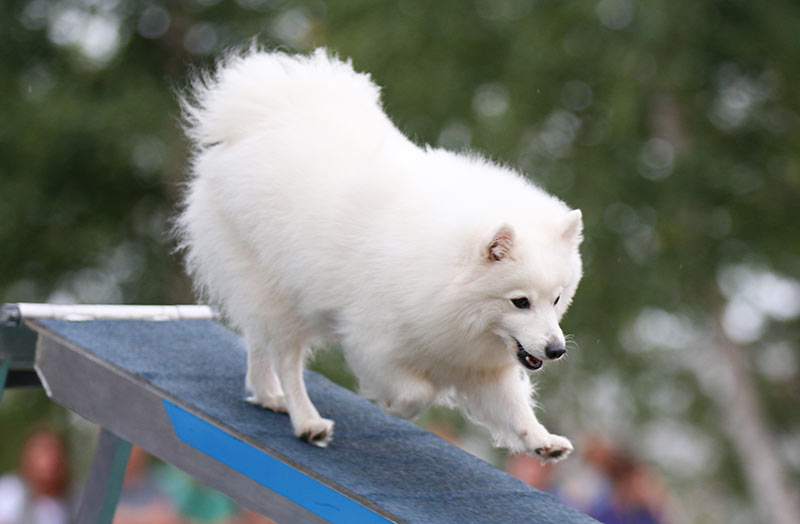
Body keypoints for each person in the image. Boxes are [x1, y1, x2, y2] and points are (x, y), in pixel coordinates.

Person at [0, 428, 70, 524]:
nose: (50, 459)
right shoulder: (10, 490)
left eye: (53, 451)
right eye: (43, 451)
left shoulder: (71, 501)